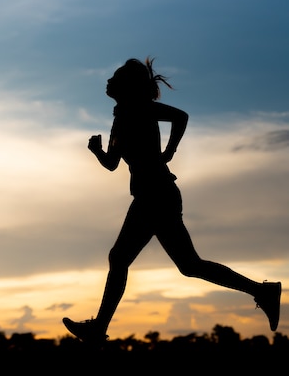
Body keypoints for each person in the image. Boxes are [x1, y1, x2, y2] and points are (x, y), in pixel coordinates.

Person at [63, 57, 281, 345]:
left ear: (126, 86)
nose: (108, 81)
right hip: (152, 195)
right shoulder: (122, 116)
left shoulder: (138, 108)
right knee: (190, 265)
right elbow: (113, 164)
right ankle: (262, 291)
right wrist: (97, 152)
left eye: (114, 77)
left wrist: (170, 152)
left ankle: (97, 329)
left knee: (121, 258)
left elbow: (181, 117)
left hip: (156, 195)